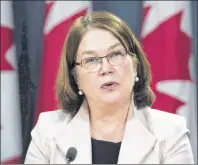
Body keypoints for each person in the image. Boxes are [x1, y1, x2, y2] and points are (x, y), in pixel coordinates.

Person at [24, 11, 194, 164]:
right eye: (91, 60)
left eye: (115, 54)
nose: (106, 68)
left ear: (135, 65)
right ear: (76, 78)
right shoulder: (48, 131)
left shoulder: (170, 132)